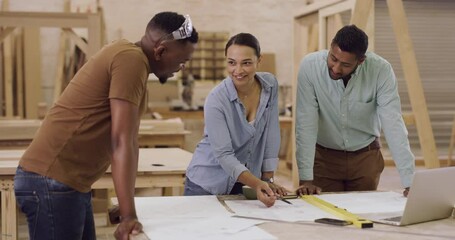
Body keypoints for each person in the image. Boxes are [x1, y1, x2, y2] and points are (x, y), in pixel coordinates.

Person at [14, 11, 198, 240]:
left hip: (68, 183)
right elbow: (122, 141)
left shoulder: (127, 54)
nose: (181, 68)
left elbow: (127, 140)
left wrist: (125, 203)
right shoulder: (132, 61)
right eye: (182, 61)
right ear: (160, 50)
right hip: (52, 180)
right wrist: (129, 214)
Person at [295, 25, 415, 197]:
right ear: (330, 47)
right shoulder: (310, 67)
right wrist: (306, 178)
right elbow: (305, 123)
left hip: (366, 159)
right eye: (333, 58)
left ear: (361, 61)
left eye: (345, 64)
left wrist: (409, 181)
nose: (336, 68)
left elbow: (393, 123)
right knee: (325, 218)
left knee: (365, 216)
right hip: (324, 158)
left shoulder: (381, 70)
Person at [184, 33, 288, 207]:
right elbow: (224, 155)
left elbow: (271, 133)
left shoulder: (270, 86)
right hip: (205, 184)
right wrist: (257, 184)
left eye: (246, 63)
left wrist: (267, 178)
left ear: (259, 60)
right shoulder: (216, 99)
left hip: (242, 183)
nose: (238, 71)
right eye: (232, 63)